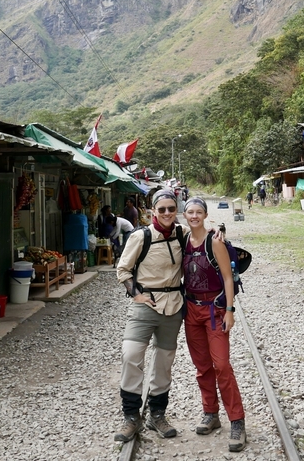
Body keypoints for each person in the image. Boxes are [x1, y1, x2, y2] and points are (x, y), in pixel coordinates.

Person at [114, 188, 185, 443]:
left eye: (171, 209)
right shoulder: (140, 236)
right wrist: (135, 294)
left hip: (173, 306)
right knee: (131, 355)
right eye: (162, 209)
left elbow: (203, 241)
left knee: (164, 362)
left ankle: (157, 414)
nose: (167, 213)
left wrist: (218, 232)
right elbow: (123, 269)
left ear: (177, 211)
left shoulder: (182, 234)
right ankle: (131, 416)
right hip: (145, 305)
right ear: (153, 211)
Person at [181, 197, 246, 452]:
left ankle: (237, 421)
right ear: (184, 215)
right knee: (202, 366)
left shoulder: (214, 241)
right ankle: (210, 413)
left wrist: (230, 310)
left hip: (214, 310)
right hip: (191, 311)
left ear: (205, 214)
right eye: (190, 212)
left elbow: (228, 279)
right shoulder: (182, 240)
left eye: (199, 212)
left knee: (221, 365)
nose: (194, 216)